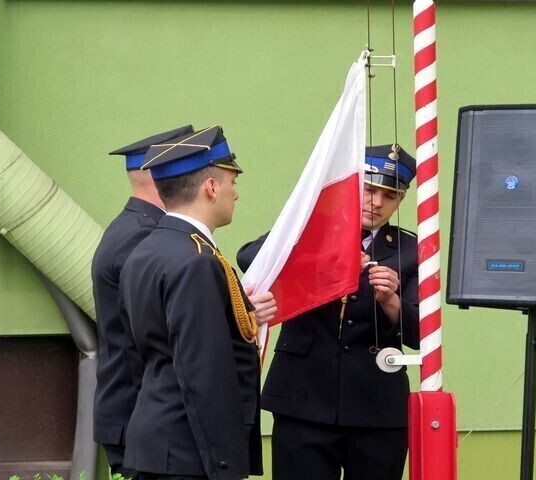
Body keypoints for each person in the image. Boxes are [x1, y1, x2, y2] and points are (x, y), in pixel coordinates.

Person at [236, 144, 420, 480]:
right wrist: (324, 240)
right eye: (369, 189)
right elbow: (250, 258)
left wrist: (391, 301)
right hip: (303, 395)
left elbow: (423, 334)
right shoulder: (310, 227)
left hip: (376, 405)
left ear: (401, 199)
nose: (377, 202)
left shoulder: (410, 249)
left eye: (389, 195)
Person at [120, 125, 272, 480]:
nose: (236, 195)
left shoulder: (148, 249)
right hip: (190, 451)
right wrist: (223, 464)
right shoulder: (197, 259)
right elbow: (204, 371)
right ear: (211, 187)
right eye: (232, 183)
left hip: (160, 440)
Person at [92, 124, 194, 478]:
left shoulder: (136, 228)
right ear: (158, 174)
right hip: (141, 413)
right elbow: (163, 330)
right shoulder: (145, 237)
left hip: (139, 413)